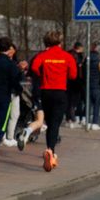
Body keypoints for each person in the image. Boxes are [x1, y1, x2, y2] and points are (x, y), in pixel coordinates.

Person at [30, 33, 78, 172]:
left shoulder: (42, 55)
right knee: (55, 124)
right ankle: (50, 151)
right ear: (60, 42)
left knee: (50, 123)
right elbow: (74, 75)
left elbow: (34, 67)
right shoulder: (67, 56)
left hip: (46, 92)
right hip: (60, 92)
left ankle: (51, 151)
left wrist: (42, 74)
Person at [66, 42, 86, 124]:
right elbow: (77, 67)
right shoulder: (76, 56)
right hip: (76, 80)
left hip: (70, 80)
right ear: (79, 48)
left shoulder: (68, 54)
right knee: (74, 100)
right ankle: (72, 118)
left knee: (71, 100)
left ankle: (71, 117)